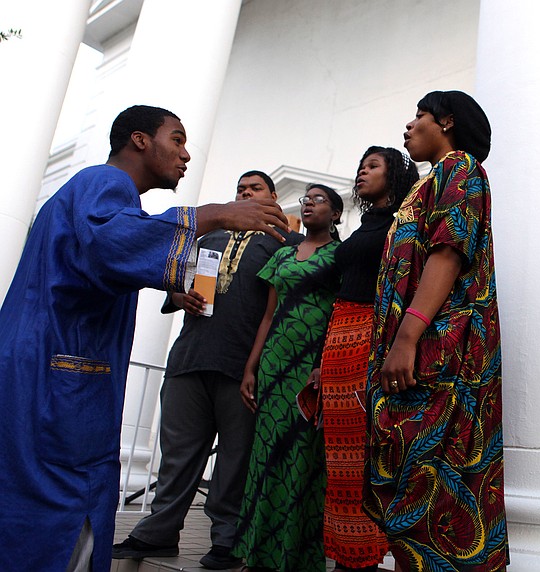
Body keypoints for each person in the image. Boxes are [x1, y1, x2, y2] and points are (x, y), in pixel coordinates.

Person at [0, 105, 291, 572]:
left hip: (54, 364)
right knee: (62, 500)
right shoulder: (104, 183)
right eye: (176, 140)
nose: (186, 154)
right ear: (139, 140)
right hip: (53, 374)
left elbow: (108, 258)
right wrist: (214, 215)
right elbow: (111, 244)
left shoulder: (107, 195)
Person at [112, 170, 303, 569]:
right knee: (178, 453)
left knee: (235, 458)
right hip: (190, 359)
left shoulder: (286, 244)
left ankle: (227, 539)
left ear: (272, 198)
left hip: (244, 367)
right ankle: (157, 533)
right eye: (240, 189)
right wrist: (178, 294)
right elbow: (173, 277)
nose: (245, 194)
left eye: (255, 189)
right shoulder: (209, 237)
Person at [363, 91, 508, 572]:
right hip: (413, 348)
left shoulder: (461, 169)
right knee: (408, 477)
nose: (409, 125)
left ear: (446, 122)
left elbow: (448, 254)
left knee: (433, 484)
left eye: (419, 116)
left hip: (438, 350)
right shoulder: (424, 185)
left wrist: (406, 338)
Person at [307, 146, 419, 572]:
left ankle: (364, 556)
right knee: (338, 453)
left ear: (393, 175)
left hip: (373, 337)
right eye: (360, 166)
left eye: (373, 166)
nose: (361, 172)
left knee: (364, 452)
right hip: (339, 338)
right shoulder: (364, 226)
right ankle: (346, 556)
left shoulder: (400, 223)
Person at [234, 183, 344, 572]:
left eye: (319, 200)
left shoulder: (340, 255)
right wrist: (251, 367)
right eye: (306, 199)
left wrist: (328, 363)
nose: (309, 204)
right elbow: (268, 315)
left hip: (312, 363)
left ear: (336, 213)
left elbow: (340, 313)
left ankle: (294, 557)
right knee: (264, 455)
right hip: (275, 362)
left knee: (302, 456)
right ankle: (257, 551)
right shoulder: (282, 254)